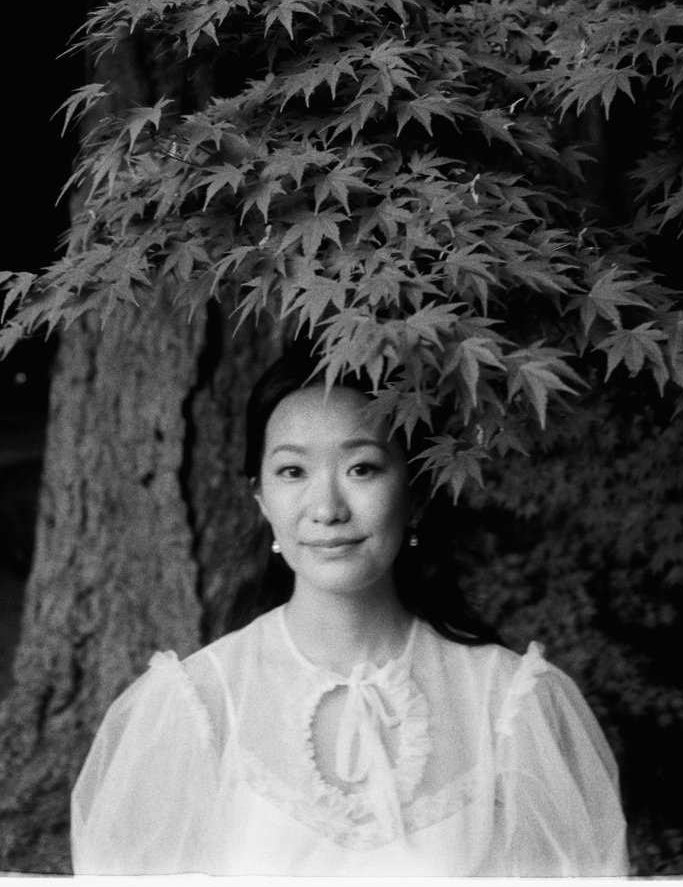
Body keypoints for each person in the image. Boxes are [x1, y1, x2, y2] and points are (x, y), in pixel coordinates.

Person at [70, 347, 630, 876]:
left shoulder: (510, 705)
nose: (327, 508)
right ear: (261, 498)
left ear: (416, 494)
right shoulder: (194, 707)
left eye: (361, 468)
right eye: (293, 472)